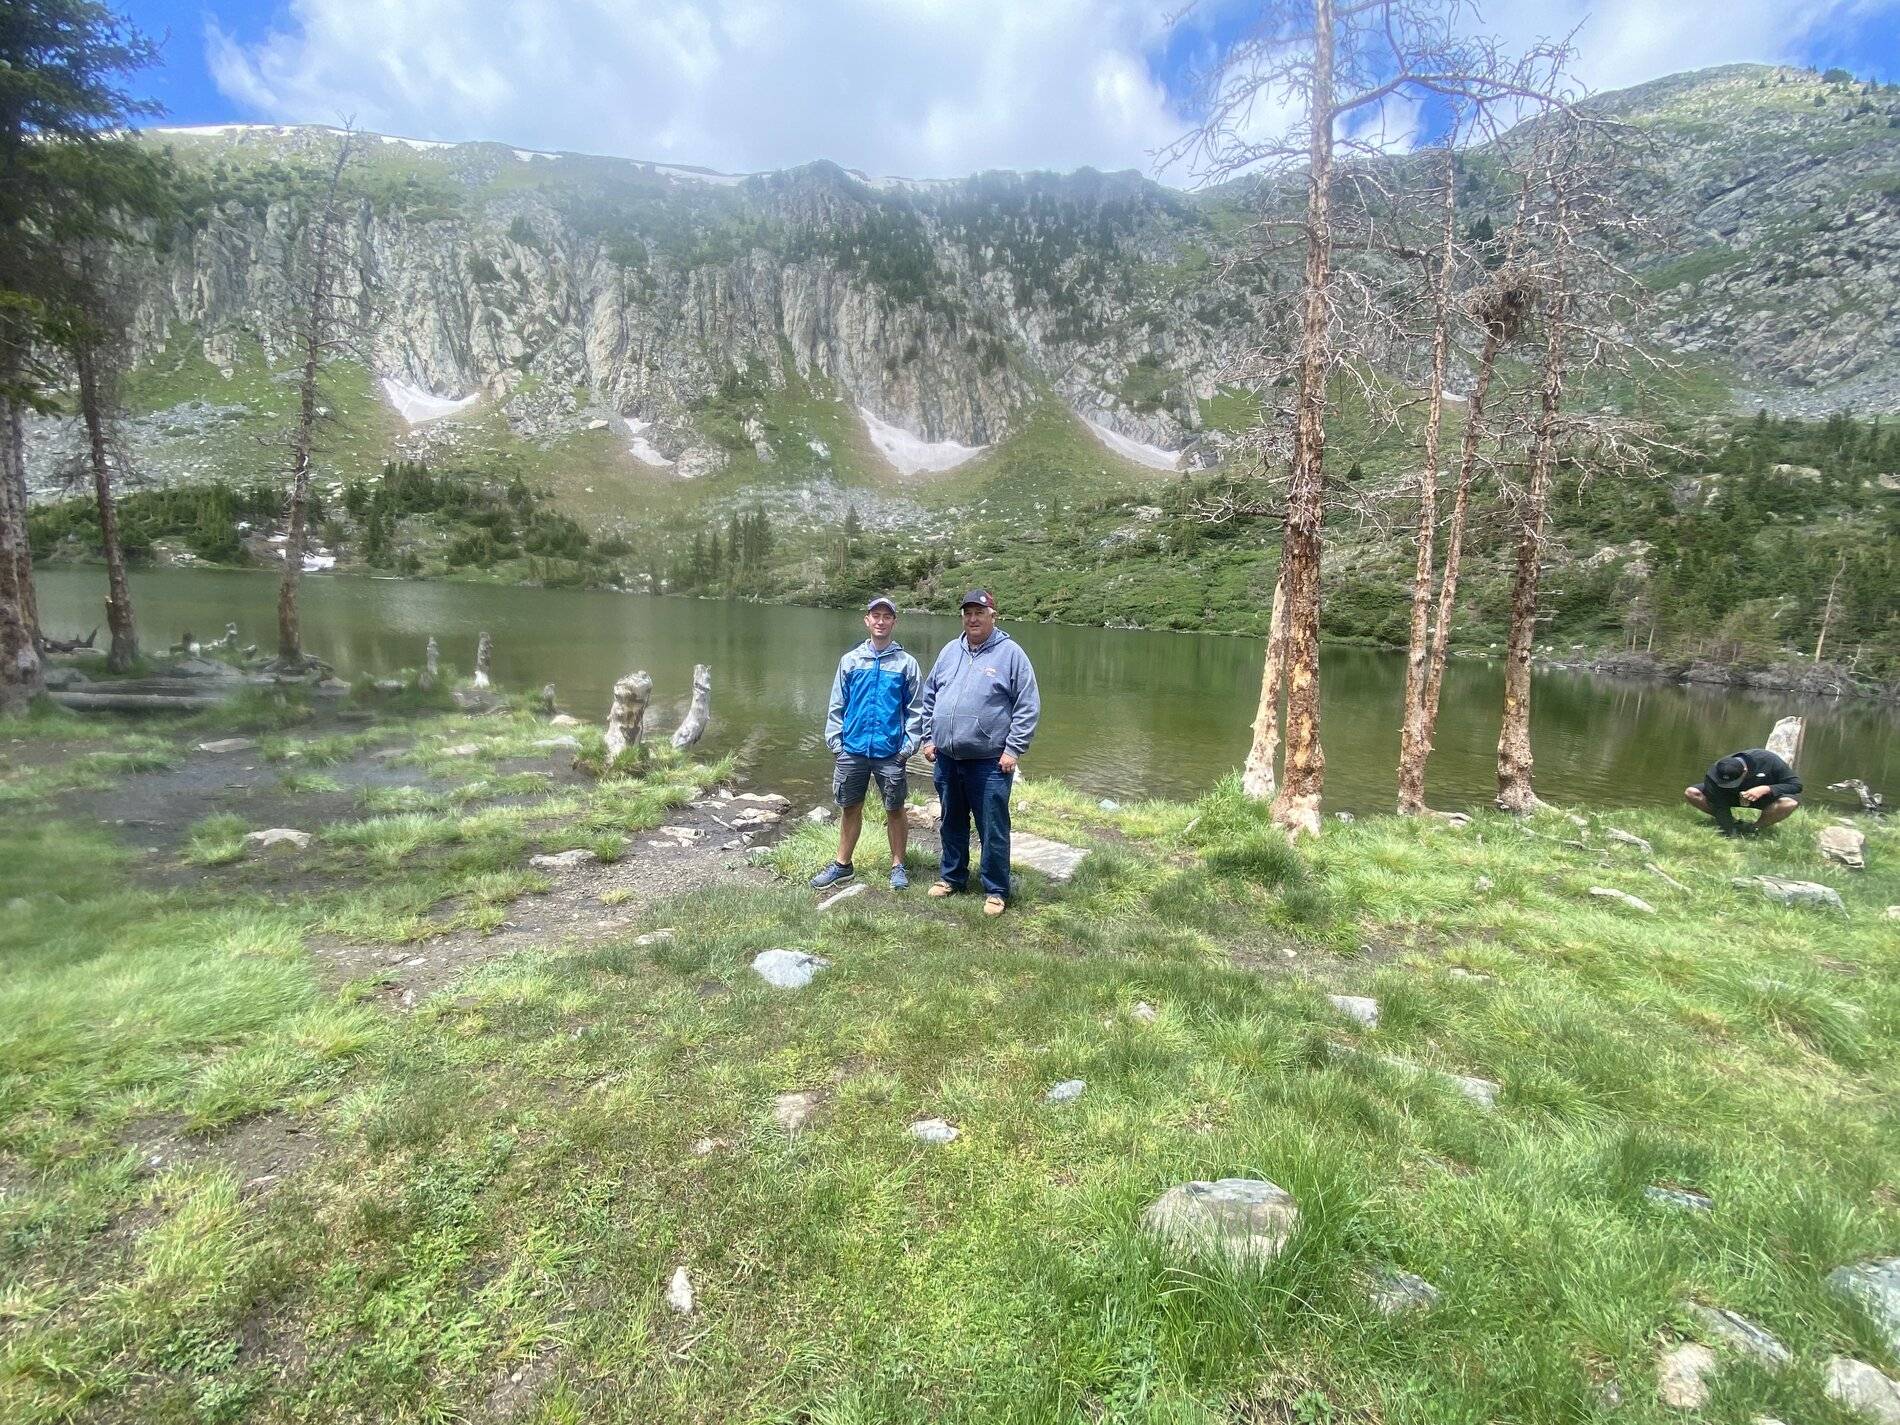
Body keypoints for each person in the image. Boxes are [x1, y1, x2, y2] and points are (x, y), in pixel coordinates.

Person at [919, 589, 1041, 916]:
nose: (973, 618)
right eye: (968, 613)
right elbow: (929, 697)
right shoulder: (949, 651)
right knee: (952, 822)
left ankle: (996, 889)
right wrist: (928, 739)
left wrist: (1013, 749)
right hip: (946, 757)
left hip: (990, 762)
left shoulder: (1011, 654)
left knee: (993, 827)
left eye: (979, 613)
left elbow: (1027, 706)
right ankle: (952, 878)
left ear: (993, 616)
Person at [812, 596, 923, 891]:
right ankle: (843, 865)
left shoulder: (906, 664)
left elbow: (916, 710)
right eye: (876, 615)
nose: (881, 621)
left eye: (887, 616)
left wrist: (907, 748)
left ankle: (898, 866)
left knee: (895, 808)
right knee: (850, 807)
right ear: (867, 620)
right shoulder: (850, 660)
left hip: (891, 753)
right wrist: (837, 743)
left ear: (894, 622)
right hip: (853, 750)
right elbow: (837, 704)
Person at [1684, 747, 1802, 836]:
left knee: (1789, 803)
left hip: (1763, 797)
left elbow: (1796, 785)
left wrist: (1766, 789)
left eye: (1733, 782)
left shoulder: (1768, 759)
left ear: (1745, 771)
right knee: (1691, 792)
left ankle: (1754, 828)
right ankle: (1734, 823)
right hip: (1730, 796)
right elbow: (1719, 803)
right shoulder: (1715, 772)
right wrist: (1729, 829)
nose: (1729, 785)